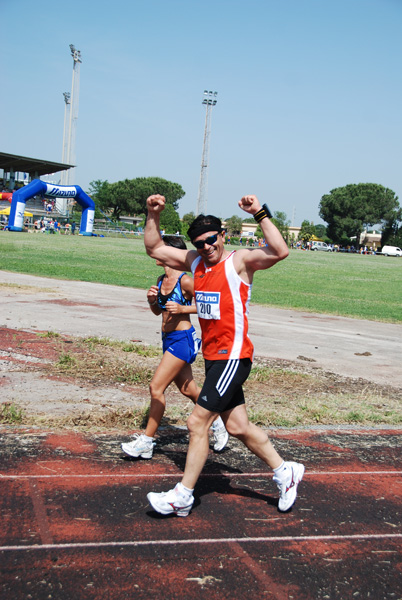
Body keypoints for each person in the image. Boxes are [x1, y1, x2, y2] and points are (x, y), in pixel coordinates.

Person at [144, 194, 304, 517]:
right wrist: (152, 215)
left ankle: (183, 496)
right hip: (215, 358)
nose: (206, 247)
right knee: (238, 427)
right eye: (199, 243)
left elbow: (280, 250)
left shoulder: (239, 262)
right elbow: (154, 248)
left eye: (211, 239)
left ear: (222, 236)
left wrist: (259, 212)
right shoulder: (196, 264)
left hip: (234, 357)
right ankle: (284, 471)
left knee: (197, 421)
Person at [121, 235, 228, 460]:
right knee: (188, 390)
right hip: (168, 340)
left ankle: (147, 442)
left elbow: (210, 305)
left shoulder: (186, 281)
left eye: (162, 250)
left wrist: (182, 309)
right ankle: (218, 423)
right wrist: (151, 300)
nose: (157, 253)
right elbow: (159, 312)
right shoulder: (161, 279)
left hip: (182, 340)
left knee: (156, 387)